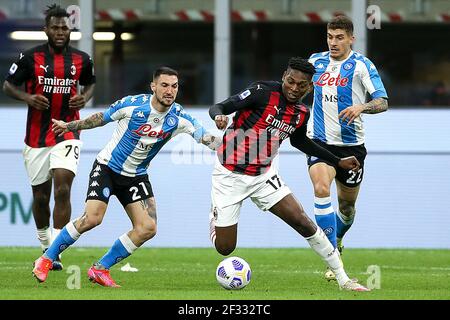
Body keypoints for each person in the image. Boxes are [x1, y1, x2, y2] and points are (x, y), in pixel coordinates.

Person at [32, 67, 220, 287]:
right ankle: (45, 258)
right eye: (165, 85)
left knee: (147, 228)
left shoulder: (179, 118)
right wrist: (70, 125)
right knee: (92, 218)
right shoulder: (133, 104)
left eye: (174, 86)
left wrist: (232, 147)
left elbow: (205, 138)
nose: (170, 91)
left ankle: (100, 269)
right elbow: (100, 118)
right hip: (107, 168)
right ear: (153, 87)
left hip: (136, 176)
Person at [208, 57, 369, 291]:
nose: (294, 88)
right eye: (290, 82)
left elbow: (301, 141)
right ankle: (215, 217)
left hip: (264, 177)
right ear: (284, 76)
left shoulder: (302, 112)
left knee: (303, 222)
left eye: (301, 85)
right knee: (225, 248)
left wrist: (337, 161)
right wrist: (219, 116)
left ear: (310, 86)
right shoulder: (261, 91)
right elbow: (221, 106)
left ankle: (343, 279)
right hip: (229, 176)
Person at [3, 4, 96, 270]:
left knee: (63, 189)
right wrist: (27, 97)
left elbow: (90, 83)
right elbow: (8, 85)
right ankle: (45, 243)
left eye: (64, 28)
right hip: (36, 136)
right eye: (54, 27)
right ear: (46, 30)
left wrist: (84, 97)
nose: (59, 32)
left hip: (68, 130)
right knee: (41, 197)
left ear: (70, 30)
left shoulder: (82, 59)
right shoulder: (29, 58)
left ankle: (53, 252)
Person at [307, 16, 388, 280]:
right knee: (320, 188)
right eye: (330, 37)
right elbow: (293, 88)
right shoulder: (315, 62)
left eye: (339, 37)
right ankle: (332, 257)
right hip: (318, 141)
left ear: (351, 38)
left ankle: (338, 238)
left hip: (351, 148)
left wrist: (361, 107)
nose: (333, 42)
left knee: (347, 207)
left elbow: (382, 101)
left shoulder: (362, 66)